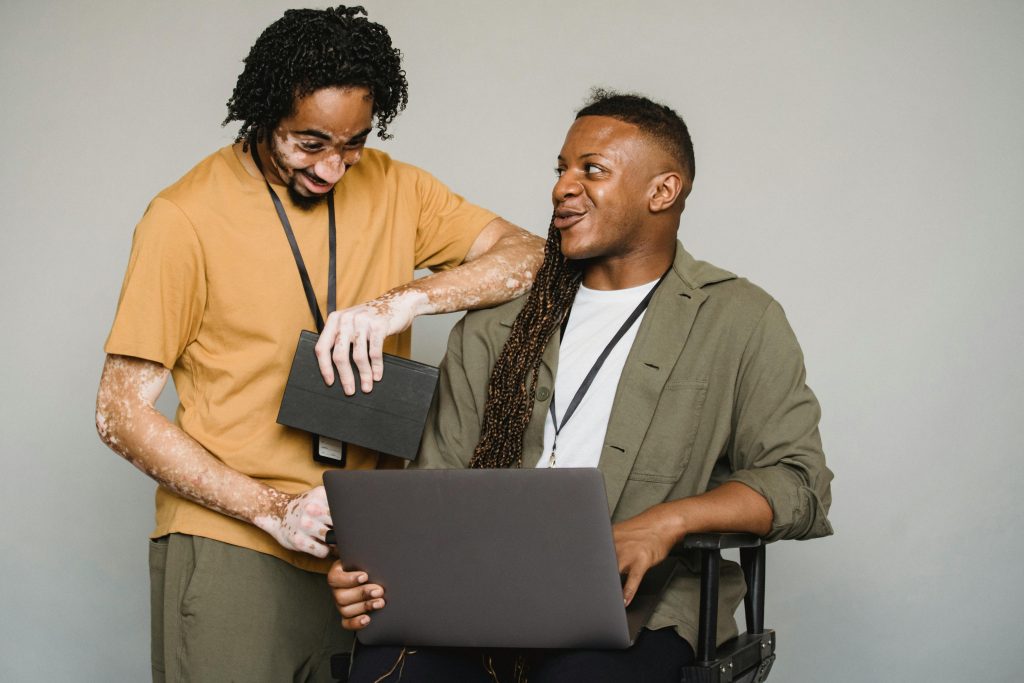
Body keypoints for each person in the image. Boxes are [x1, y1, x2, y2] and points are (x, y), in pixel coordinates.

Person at [94, 6, 543, 682]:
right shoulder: (182, 216)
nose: (334, 167)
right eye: (309, 144)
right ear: (263, 114)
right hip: (235, 540)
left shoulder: (398, 186)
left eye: (352, 143)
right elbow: (119, 413)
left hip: (368, 546)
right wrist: (272, 510)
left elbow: (530, 256)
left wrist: (407, 299)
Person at [328, 90, 834, 682]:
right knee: (386, 671)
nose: (563, 187)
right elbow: (436, 489)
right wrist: (378, 575)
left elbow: (798, 483)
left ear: (662, 191)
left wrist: (665, 523)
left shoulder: (739, 319)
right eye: (562, 169)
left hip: (639, 611)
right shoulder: (498, 323)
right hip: (483, 595)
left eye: (592, 169)